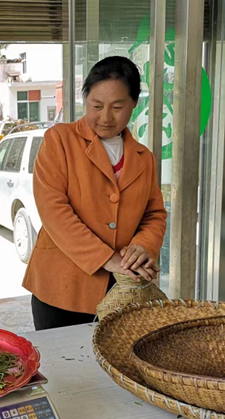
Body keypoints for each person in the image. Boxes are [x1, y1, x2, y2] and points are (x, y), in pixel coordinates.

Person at [22, 56, 167, 331]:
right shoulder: (59, 141)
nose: (105, 117)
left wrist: (143, 246)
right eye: (96, 106)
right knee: (65, 369)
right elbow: (54, 212)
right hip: (61, 289)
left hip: (123, 290)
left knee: (115, 367)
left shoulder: (143, 157)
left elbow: (154, 214)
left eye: (117, 107)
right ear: (85, 100)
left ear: (134, 103)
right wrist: (109, 260)